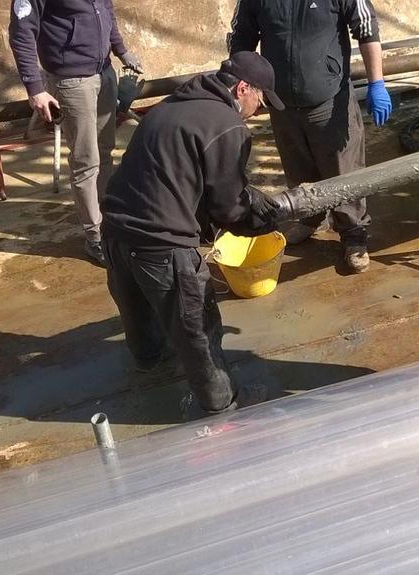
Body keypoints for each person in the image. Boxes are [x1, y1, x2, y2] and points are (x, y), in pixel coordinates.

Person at [101, 52, 285, 414]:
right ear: (243, 88)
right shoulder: (228, 126)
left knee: (137, 307)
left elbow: (181, 175)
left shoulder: (172, 105)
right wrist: (259, 222)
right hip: (161, 242)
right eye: (260, 100)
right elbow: (227, 207)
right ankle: (223, 403)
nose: (259, 110)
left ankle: (149, 360)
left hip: (116, 230)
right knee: (197, 328)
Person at [228, 0, 393, 274]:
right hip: (281, 104)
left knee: (343, 172)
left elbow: (366, 29)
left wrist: (377, 83)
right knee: (297, 168)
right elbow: (241, 40)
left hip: (329, 102)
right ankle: (310, 218)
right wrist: (244, 89)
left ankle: (353, 232)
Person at [8, 0, 143, 266]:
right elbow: (21, 33)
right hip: (72, 81)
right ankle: (95, 237)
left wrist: (121, 51)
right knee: (86, 161)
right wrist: (35, 88)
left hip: (104, 73)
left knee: (105, 150)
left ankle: (107, 214)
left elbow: (106, 11)